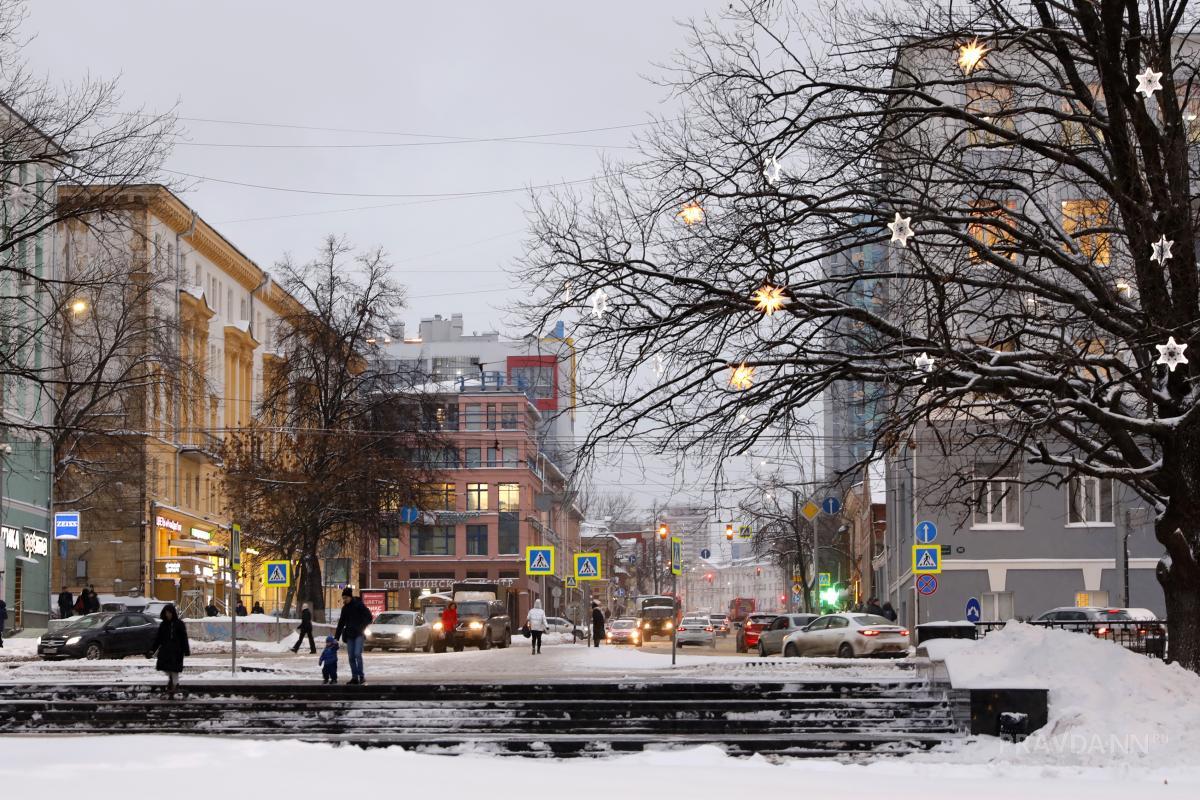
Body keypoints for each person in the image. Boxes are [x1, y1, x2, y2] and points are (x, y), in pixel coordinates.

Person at [147, 604, 190, 696]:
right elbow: (158, 638)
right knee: (164, 666)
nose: (168, 615)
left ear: (173, 613)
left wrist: (186, 650)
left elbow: (184, 637)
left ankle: (175, 685)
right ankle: (172, 681)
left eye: (169, 613)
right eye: (166, 613)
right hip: (165, 650)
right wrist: (153, 649)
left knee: (175, 669)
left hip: (177, 650)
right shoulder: (163, 625)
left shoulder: (179, 624)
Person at [334, 587, 373, 685]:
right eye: (343, 598)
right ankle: (354, 677)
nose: (344, 600)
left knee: (357, 654)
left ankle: (361, 676)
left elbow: (369, 617)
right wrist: (336, 637)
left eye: (346, 598)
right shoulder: (345, 609)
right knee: (351, 656)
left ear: (350, 597)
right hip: (349, 635)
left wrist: (362, 627)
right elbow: (341, 623)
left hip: (359, 634)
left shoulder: (359, 605)